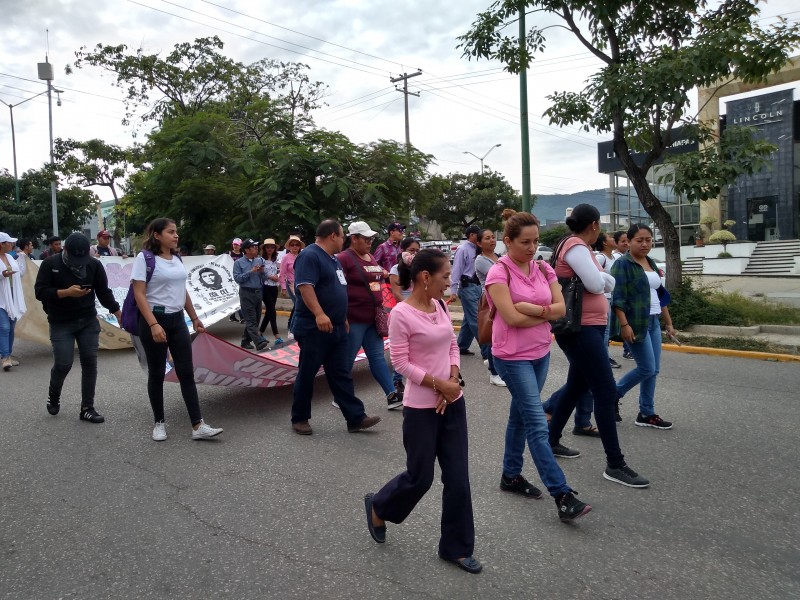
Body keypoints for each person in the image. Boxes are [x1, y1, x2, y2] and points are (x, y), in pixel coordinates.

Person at [364, 249, 482, 574]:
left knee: (458, 479)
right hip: (420, 410)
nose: (449, 283)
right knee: (420, 477)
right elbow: (400, 363)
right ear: (426, 277)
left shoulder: (441, 305)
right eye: (445, 276)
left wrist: (452, 380)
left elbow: (452, 345)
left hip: (452, 402)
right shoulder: (401, 313)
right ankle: (379, 505)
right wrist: (437, 385)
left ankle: (456, 549)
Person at [486, 212, 592, 521]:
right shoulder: (498, 274)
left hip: (540, 351)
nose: (533, 248)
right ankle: (562, 494)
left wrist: (535, 309)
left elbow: (561, 310)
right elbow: (512, 319)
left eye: (536, 241)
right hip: (511, 356)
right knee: (535, 422)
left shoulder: (544, 267)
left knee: (520, 416)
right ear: (507, 242)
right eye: (525, 242)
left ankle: (510, 475)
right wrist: (545, 313)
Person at [546, 204, 650, 489]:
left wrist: (605, 281)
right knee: (604, 391)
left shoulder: (574, 246)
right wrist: (606, 281)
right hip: (581, 329)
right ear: (593, 225)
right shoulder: (577, 246)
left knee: (577, 386)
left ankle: (551, 439)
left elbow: (601, 282)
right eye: (600, 226)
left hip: (584, 327)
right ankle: (615, 463)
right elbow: (596, 283)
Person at [132, 218, 223, 442]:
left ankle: (197, 425)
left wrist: (194, 318)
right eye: (171, 232)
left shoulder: (176, 258)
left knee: (186, 373)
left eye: (176, 232)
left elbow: (182, 291)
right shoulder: (144, 258)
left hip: (177, 321)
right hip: (154, 320)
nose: (176, 236)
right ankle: (159, 423)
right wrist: (153, 324)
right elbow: (139, 294)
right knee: (156, 374)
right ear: (156, 235)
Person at [290, 219, 381, 436]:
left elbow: (338, 289)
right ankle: (300, 418)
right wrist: (319, 314)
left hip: (337, 327)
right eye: (342, 236)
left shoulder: (333, 260)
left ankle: (355, 417)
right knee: (307, 373)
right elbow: (305, 286)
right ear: (333, 236)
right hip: (315, 327)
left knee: (341, 373)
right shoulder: (310, 255)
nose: (344, 240)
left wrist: (343, 317)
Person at [34, 233, 120, 423]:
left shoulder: (93, 265)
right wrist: (66, 293)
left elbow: (104, 292)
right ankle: (54, 394)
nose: (79, 262)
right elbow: (40, 292)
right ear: (64, 250)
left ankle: (87, 408)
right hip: (61, 321)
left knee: (90, 362)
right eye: (75, 258)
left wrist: (118, 314)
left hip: (88, 320)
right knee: (63, 363)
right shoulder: (50, 264)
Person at [611, 224, 675, 430]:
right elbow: (617, 298)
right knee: (646, 368)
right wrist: (624, 324)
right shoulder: (622, 264)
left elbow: (659, 294)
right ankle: (613, 394)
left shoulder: (651, 262)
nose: (645, 244)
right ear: (628, 242)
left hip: (654, 321)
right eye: (640, 240)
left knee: (653, 370)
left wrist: (669, 323)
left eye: (648, 239)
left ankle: (646, 413)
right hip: (636, 322)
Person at [338, 221, 401, 411]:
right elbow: (338, 289)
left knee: (377, 357)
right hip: (354, 317)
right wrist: (342, 316)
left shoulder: (371, 258)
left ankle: (391, 395)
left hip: (373, 317)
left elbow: (376, 281)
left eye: (371, 238)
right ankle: (341, 395)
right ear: (353, 238)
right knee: (347, 360)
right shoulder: (343, 258)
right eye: (365, 239)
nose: (369, 242)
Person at [388, 237, 420, 399]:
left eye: (417, 250)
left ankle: (418, 379)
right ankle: (396, 380)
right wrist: (409, 308)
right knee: (402, 349)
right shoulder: (395, 269)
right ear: (403, 251)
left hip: (420, 310)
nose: (414, 254)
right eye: (412, 250)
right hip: (403, 312)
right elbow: (397, 293)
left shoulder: (419, 268)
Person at [474, 228, 505, 387]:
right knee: (494, 336)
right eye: (487, 238)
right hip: (489, 301)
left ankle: (492, 362)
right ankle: (494, 373)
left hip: (500, 298)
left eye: (493, 237)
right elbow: (501, 275)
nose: (492, 240)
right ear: (479, 243)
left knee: (499, 335)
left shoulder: (497, 257)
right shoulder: (480, 260)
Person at [450, 224, 482, 356]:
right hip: (467, 286)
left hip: (478, 286)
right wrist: (453, 290)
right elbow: (456, 270)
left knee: (469, 320)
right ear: (472, 235)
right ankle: (488, 350)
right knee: (476, 318)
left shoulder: (479, 249)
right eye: (478, 234)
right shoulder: (462, 249)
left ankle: (461, 346)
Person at [233, 239, 269, 351]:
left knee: (256, 318)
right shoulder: (238, 263)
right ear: (247, 250)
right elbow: (237, 278)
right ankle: (259, 341)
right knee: (251, 319)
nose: (256, 249)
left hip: (258, 292)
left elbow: (264, 277)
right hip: (246, 292)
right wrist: (251, 272)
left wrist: (262, 272)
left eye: (256, 247)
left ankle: (245, 341)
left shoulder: (258, 260)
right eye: (253, 247)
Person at [594, 232, 621, 369]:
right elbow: (594, 275)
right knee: (604, 330)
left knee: (607, 330)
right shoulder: (600, 257)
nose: (613, 239)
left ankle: (604, 356)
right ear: (604, 243)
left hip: (611, 297)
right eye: (610, 237)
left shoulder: (612, 258)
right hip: (603, 298)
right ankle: (603, 358)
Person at [1, 232, 26, 371]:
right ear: (2, 244)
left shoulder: (10, 257)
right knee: (4, 327)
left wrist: (22, 258)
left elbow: (20, 273)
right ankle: (5, 357)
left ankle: (7, 355)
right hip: (1, 298)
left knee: (11, 325)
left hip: (12, 296)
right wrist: (2, 274)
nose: (12, 244)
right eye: (9, 242)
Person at [612, 230, 633, 360]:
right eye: (623, 241)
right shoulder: (617, 258)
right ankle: (627, 349)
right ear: (616, 243)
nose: (626, 243)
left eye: (627, 241)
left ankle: (628, 349)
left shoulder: (631, 257)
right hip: (617, 295)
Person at [279, 234, 305, 339]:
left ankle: (292, 325)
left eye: (297, 245)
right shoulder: (286, 258)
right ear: (289, 246)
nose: (294, 247)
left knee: (296, 306)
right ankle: (292, 330)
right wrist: (283, 287)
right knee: (298, 305)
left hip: (301, 284)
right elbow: (282, 273)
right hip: (291, 284)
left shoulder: (302, 256)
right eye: (292, 245)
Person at [259, 238, 283, 344]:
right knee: (272, 311)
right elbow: (260, 273)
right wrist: (270, 277)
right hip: (265, 287)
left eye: (272, 247)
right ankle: (276, 335)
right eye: (267, 247)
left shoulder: (276, 259)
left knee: (269, 312)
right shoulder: (261, 260)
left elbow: (280, 270)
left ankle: (260, 333)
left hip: (274, 287)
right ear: (264, 248)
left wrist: (277, 276)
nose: (270, 249)